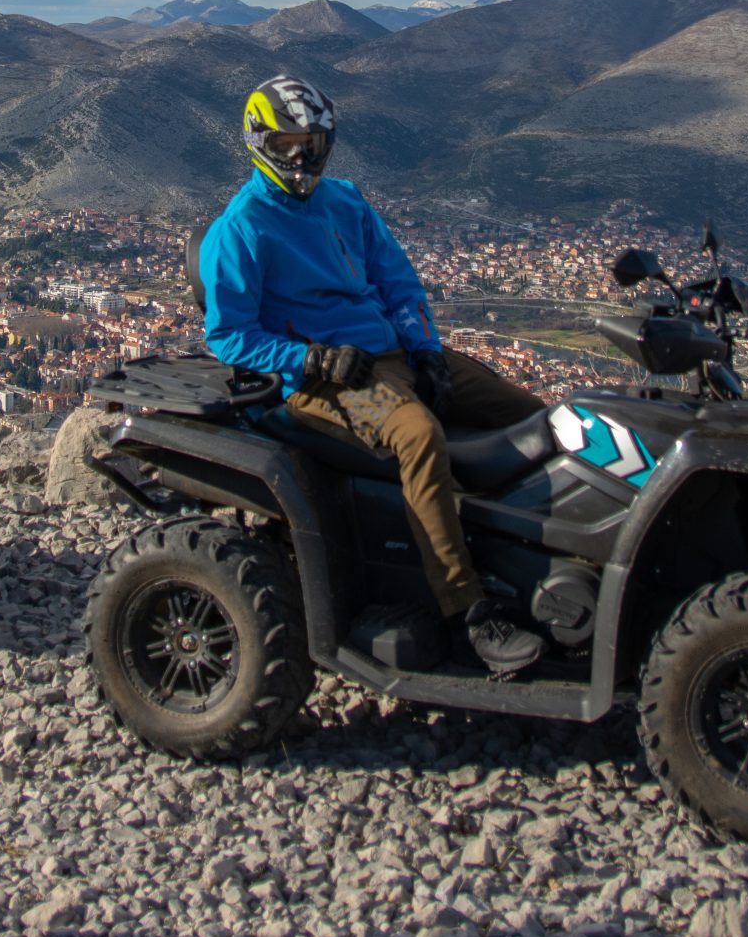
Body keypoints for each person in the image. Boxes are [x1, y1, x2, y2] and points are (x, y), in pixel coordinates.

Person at [200, 73, 548, 674]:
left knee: (533, 415)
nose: (302, 156)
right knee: (418, 437)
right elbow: (228, 334)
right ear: (260, 142)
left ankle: (547, 557)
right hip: (320, 379)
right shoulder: (240, 228)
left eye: (313, 143)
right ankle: (466, 609)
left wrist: (427, 350)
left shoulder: (347, 201)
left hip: (393, 354)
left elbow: (399, 284)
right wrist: (308, 359)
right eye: (289, 144)